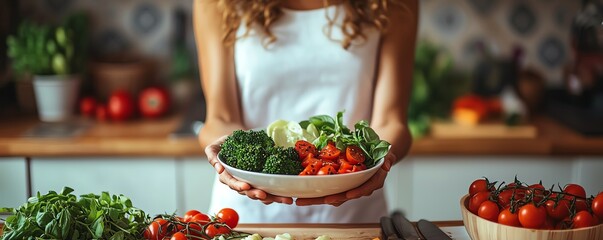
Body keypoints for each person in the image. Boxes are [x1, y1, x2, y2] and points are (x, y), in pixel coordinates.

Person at [194, 0, 417, 223]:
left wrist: (377, 160)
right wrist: (227, 153)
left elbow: (391, 121)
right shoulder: (217, 3)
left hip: (354, 214)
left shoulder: (392, 4)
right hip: (246, 215)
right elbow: (220, 118)